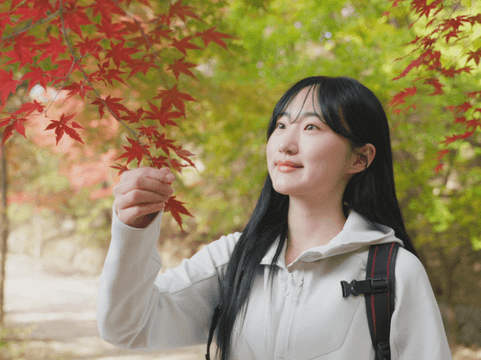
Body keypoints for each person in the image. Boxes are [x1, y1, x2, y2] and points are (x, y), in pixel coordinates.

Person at [97, 76, 453, 360]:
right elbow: (127, 327)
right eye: (281, 125)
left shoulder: (392, 272)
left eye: (312, 127)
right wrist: (134, 231)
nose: (285, 143)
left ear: (359, 159)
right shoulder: (235, 258)